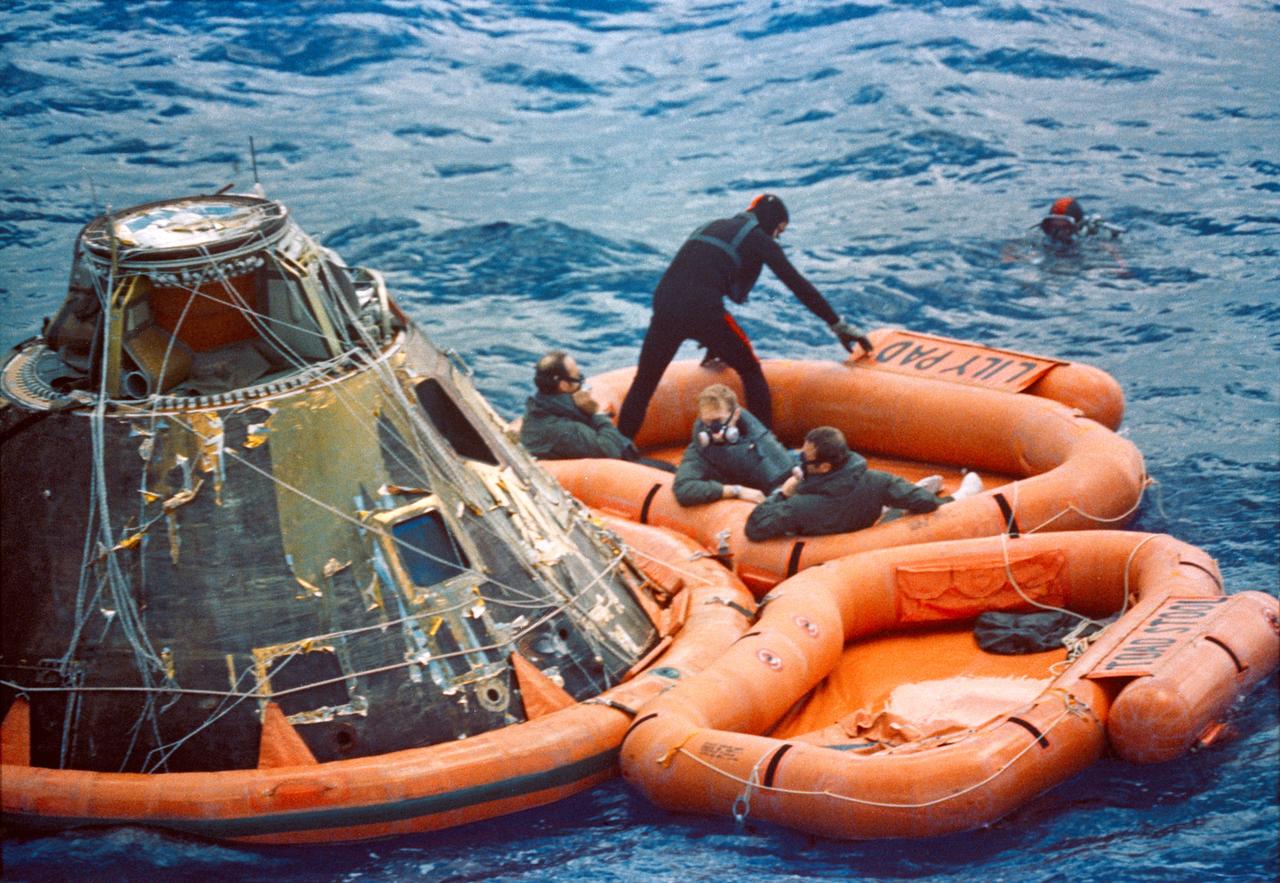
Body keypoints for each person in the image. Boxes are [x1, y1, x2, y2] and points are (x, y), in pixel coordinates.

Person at [616, 193, 873, 439]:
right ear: (772, 223)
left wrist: (714, 340)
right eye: (779, 231)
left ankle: (621, 446)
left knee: (644, 381)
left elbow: (695, 273)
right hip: (703, 308)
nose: (777, 237)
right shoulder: (759, 239)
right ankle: (764, 445)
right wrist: (837, 324)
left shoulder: (713, 225)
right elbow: (798, 284)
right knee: (750, 370)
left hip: (665, 303)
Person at [744, 426, 983, 541]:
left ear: (824, 467)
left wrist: (783, 494)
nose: (800, 462)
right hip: (863, 518)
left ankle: (908, 494)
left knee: (889, 505)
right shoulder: (877, 480)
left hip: (826, 532)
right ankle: (930, 492)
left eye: (804, 459)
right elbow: (927, 503)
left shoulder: (799, 506)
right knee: (902, 500)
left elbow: (755, 528)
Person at [672, 384, 795, 506]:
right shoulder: (699, 451)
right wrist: (735, 491)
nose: (715, 430)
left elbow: (785, 469)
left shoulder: (758, 437)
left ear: (735, 415)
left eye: (719, 420)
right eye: (708, 422)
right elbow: (683, 488)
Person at [519, 350, 640, 461]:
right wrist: (596, 412)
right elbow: (611, 451)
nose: (581, 383)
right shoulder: (565, 430)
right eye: (578, 377)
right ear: (564, 385)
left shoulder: (539, 406)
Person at [1039, 197, 1124, 243]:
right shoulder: (1043, 240)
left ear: (1077, 226)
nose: (1058, 233)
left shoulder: (1091, 239)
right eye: (1054, 227)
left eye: (1065, 227)